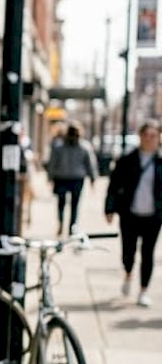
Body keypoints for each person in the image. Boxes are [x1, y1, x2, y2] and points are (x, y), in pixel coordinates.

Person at [105, 121, 162, 307]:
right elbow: (113, 186)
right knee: (128, 251)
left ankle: (144, 290)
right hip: (130, 214)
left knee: (148, 253)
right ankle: (128, 274)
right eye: (146, 135)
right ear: (140, 137)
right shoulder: (127, 160)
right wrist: (110, 208)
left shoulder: (160, 162)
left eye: (153, 136)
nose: (149, 139)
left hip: (153, 216)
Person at [45, 122, 98, 235]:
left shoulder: (59, 146)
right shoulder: (84, 146)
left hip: (62, 177)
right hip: (75, 178)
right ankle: (71, 227)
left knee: (62, 203)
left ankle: (63, 224)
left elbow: (52, 163)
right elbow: (90, 164)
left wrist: (50, 177)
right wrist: (93, 179)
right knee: (74, 204)